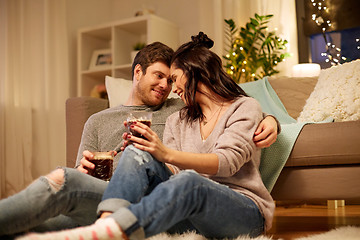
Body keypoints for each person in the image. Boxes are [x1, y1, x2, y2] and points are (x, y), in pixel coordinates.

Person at [0, 41, 277, 238]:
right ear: (138, 73)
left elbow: (230, 140)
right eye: (162, 77)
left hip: (231, 207)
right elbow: (171, 174)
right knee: (65, 179)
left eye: (173, 79)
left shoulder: (190, 106)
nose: (170, 87)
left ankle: (110, 227)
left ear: (194, 72)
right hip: (151, 203)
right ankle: (106, 225)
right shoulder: (177, 119)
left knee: (188, 181)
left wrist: (270, 119)